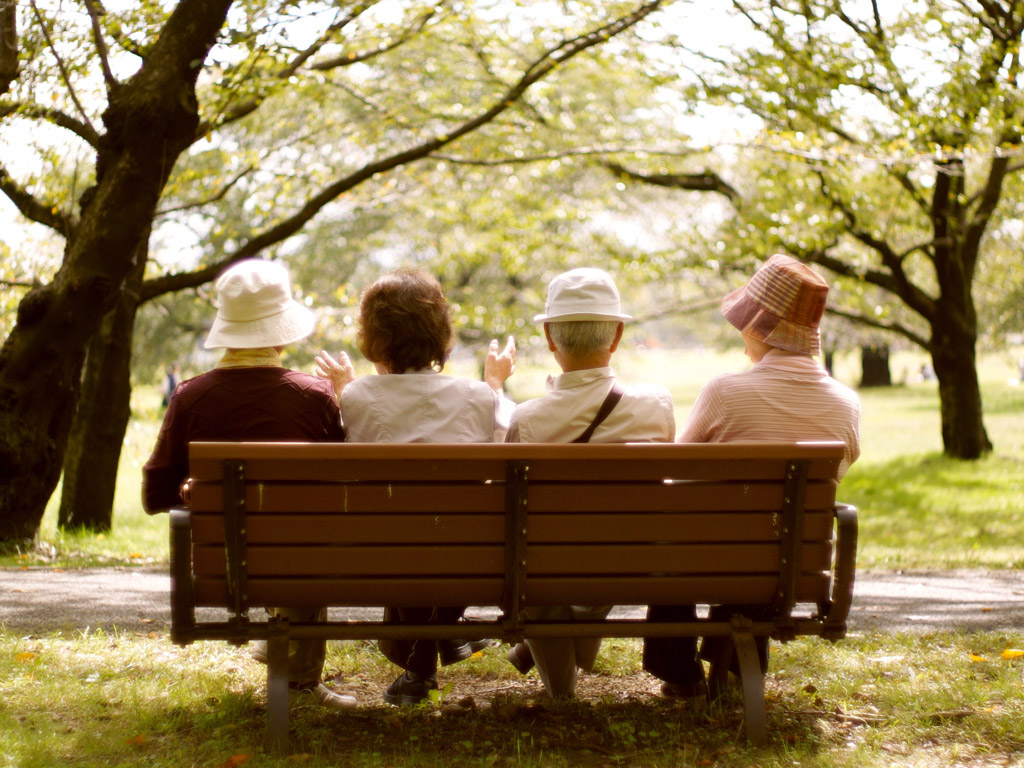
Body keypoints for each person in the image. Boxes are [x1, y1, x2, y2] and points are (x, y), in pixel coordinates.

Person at [643, 253, 861, 700]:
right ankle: (737, 671)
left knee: (681, 532)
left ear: (763, 328)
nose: (741, 333)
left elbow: (674, 468)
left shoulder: (726, 392)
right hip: (789, 568)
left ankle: (679, 672)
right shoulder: (846, 405)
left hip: (706, 559)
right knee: (767, 534)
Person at [141, 258, 354, 711]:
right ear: (281, 331)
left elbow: (154, 495)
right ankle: (298, 679)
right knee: (305, 532)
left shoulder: (190, 396)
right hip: (303, 564)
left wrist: (190, 492)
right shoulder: (313, 396)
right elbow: (342, 486)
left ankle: (285, 661)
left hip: (226, 569)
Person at [314, 267, 516, 706]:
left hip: (385, 554)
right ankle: (444, 640)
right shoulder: (478, 396)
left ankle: (426, 658)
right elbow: (505, 446)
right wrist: (495, 384)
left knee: (401, 530)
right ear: (441, 334)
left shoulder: (359, 396)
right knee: (438, 530)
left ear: (374, 339)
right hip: (469, 554)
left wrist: (347, 388)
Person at [503, 267, 675, 700]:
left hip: (545, 566)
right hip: (632, 561)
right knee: (609, 538)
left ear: (550, 339)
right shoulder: (656, 405)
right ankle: (565, 640)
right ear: (616, 337)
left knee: (540, 555)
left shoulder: (527, 419)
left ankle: (561, 693)